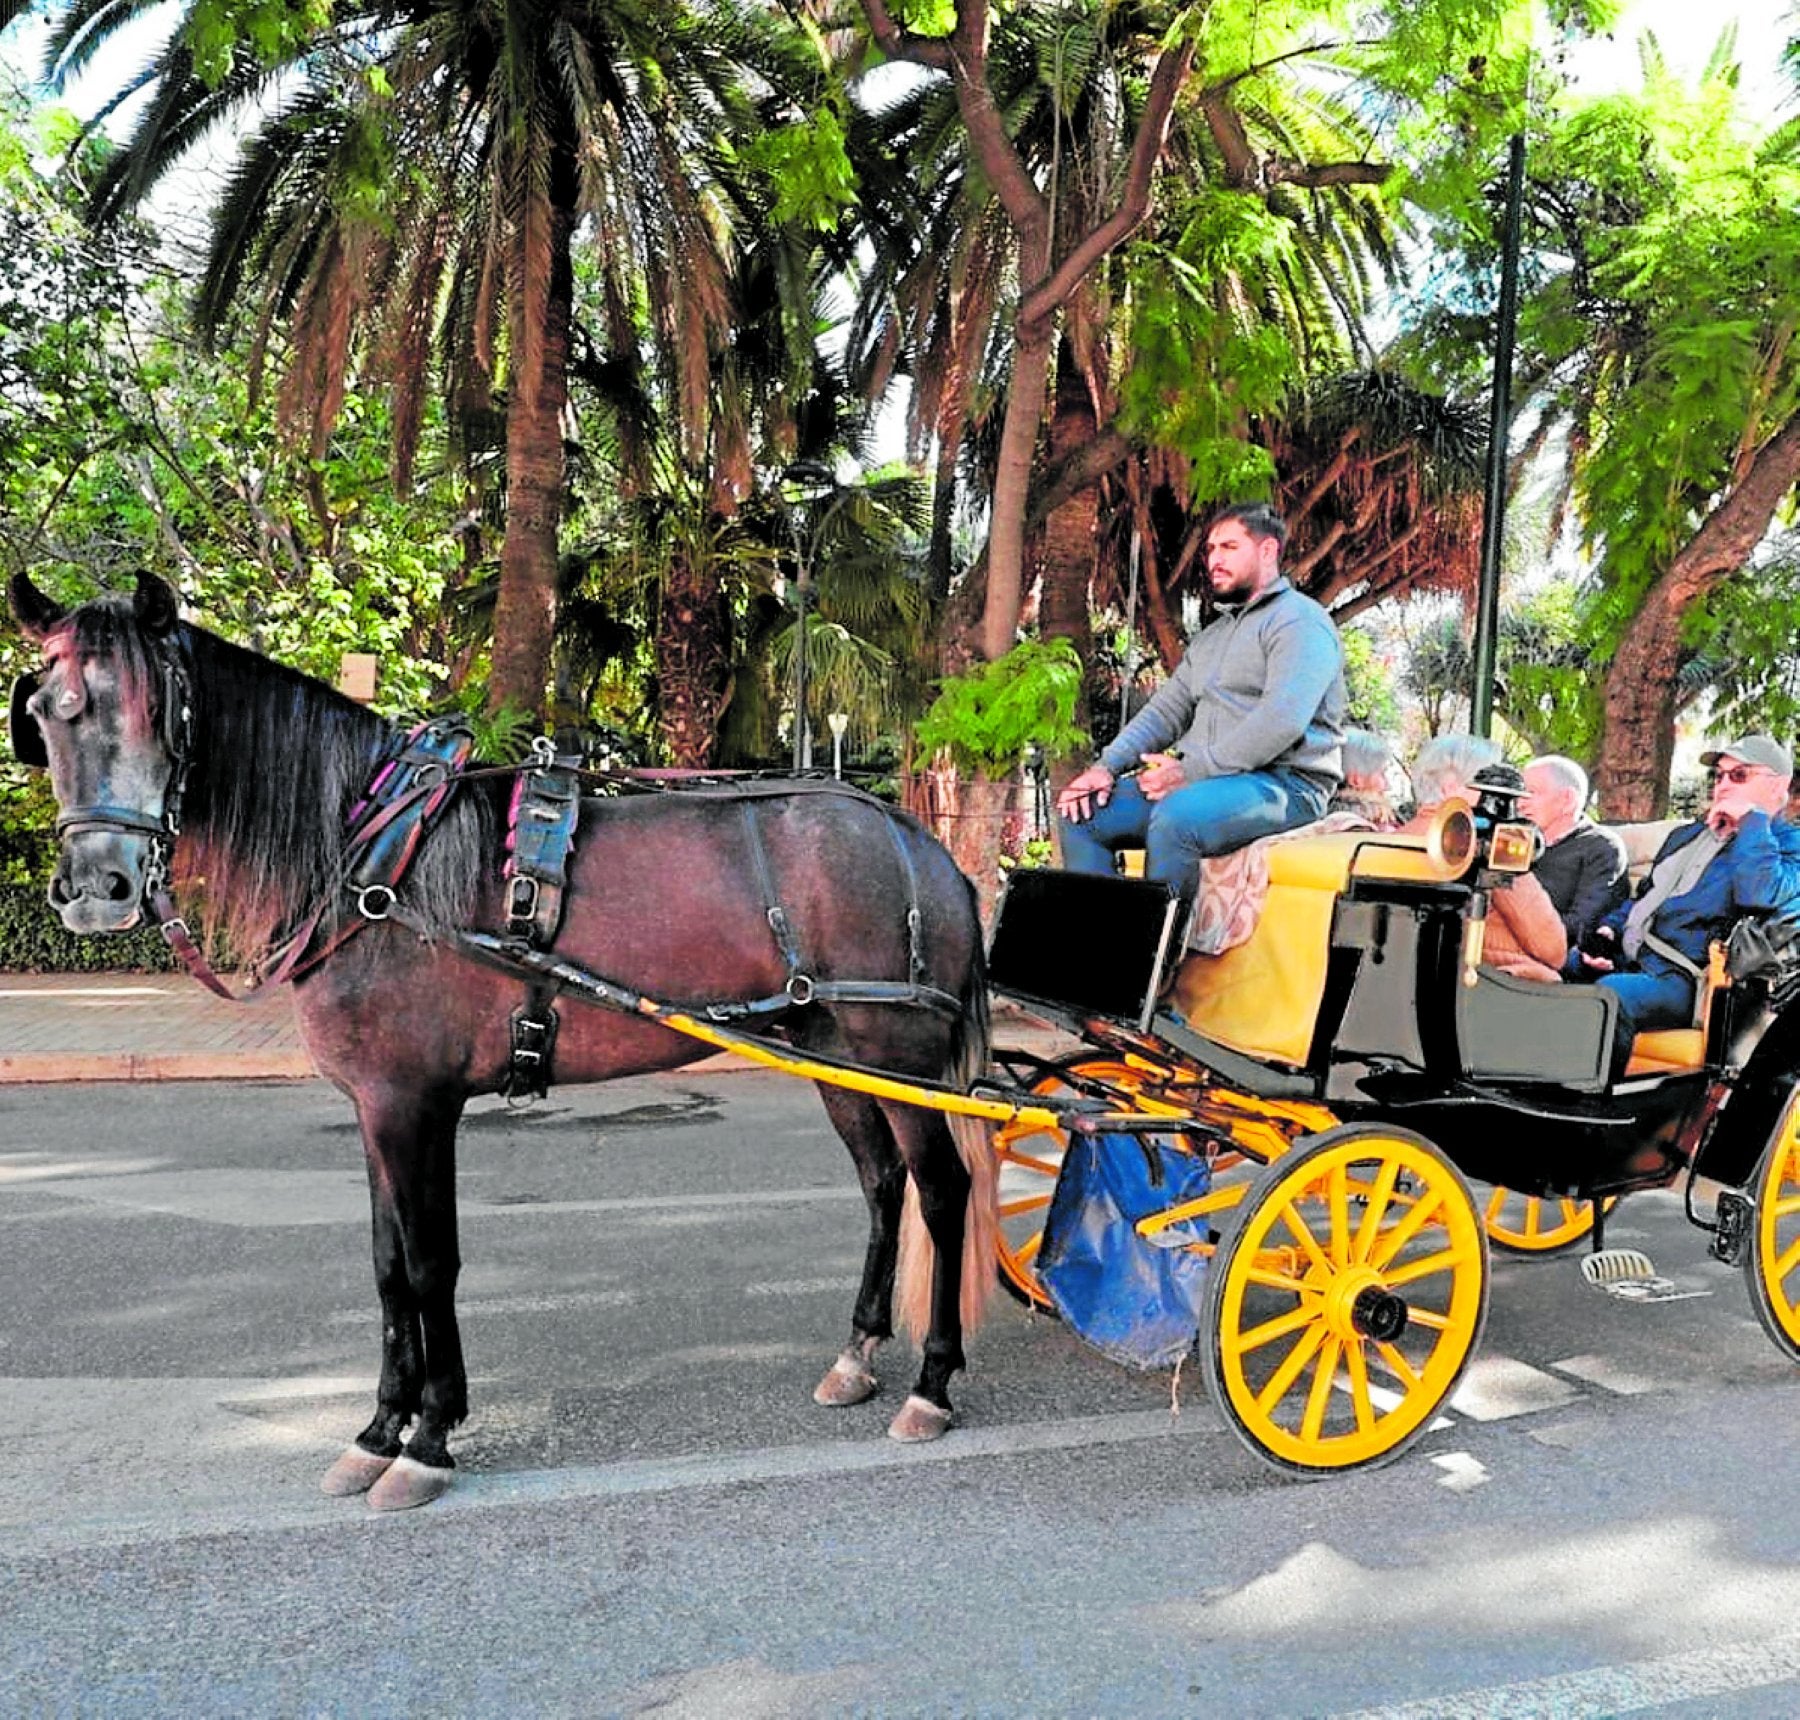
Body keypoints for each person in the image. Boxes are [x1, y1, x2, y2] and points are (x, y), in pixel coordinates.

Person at [1055, 502, 1347, 898]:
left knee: (1177, 817)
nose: (1214, 559)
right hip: (1209, 784)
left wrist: (1191, 771)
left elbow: (1281, 720)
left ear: (1267, 551)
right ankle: (1110, 954)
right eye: (1210, 549)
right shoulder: (1212, 638)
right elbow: (1165, 711)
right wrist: (1105, 768)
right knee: (1082, 813)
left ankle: (1159, 957)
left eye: (1229, 547)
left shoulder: (1301, 621)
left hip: (1287, 787)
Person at [1577, 734, 1800, 1072]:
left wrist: (1752, 821)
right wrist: (1609, 931)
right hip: (1632, 958)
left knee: (1607, 997)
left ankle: (1588, 1114)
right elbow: (1646, 897)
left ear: (1777, 786)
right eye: (1719, 775)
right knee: (1552, 968)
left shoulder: (1787, 843)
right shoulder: (1687, 836)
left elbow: (1760, 893)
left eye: (1738, 775)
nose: (1723, 784)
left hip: (1684, 977)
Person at [1403, 736, 1568, 983]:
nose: (1508, 803)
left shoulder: (1396, 838)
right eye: (1488, 788)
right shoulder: (1489, 845)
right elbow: (1552, 948)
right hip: (1487, 986)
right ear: (1451, 788)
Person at [1520, 754, 1629, 947]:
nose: (1520, 803)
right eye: (1520, 794)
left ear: (1567, 800)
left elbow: (1581, 925)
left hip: (1549, 949)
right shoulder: (1517, 838)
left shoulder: (1602, 847)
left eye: (1532, 793)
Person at [1329, 728, 1401, 830]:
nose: (1388, 785)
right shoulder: (1379, 827)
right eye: (1382, 773)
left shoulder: (1316, 818)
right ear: (1356, 780)